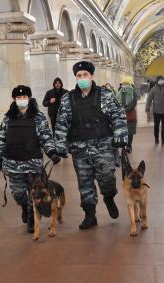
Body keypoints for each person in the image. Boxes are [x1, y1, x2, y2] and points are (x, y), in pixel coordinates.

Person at [55, 61, 128, 230]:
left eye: (85, 75)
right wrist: (59, 145)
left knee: (107, 177)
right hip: (79, 148)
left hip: (103, 145)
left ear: (92, 76)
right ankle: (90, 215)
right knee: (85, 182)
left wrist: (120, 136)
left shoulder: (106, 95)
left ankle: (109, 197)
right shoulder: (68, 98)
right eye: (79, 76)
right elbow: (61, 123)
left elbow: (118, 116)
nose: (82, 78)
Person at [0, 85, 61, 233]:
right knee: (18, 194)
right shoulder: (8, 117)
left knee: (35, 193)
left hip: (32, 164)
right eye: (18, 98)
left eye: (24, 97)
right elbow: (1, 137)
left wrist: (52, 152)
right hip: (12, 163)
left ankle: (32, 218)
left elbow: (45, 137)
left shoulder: (38, 117)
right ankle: (25, 208)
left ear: (29, 98)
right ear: (14, 99)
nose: (21, 100)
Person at [116, 76, 138, 153]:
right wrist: (120, 109)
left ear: (129, 84)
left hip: (130, 115)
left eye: (126, 83)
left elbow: (133, 103)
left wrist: (125, 110)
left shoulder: (133, 92)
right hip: (121, 116)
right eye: (124, 83)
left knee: (130, 132)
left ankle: (129, 146)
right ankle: (123, 146)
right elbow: (116, 101)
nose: (125, 85)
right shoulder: (119, 92)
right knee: (122, 132)